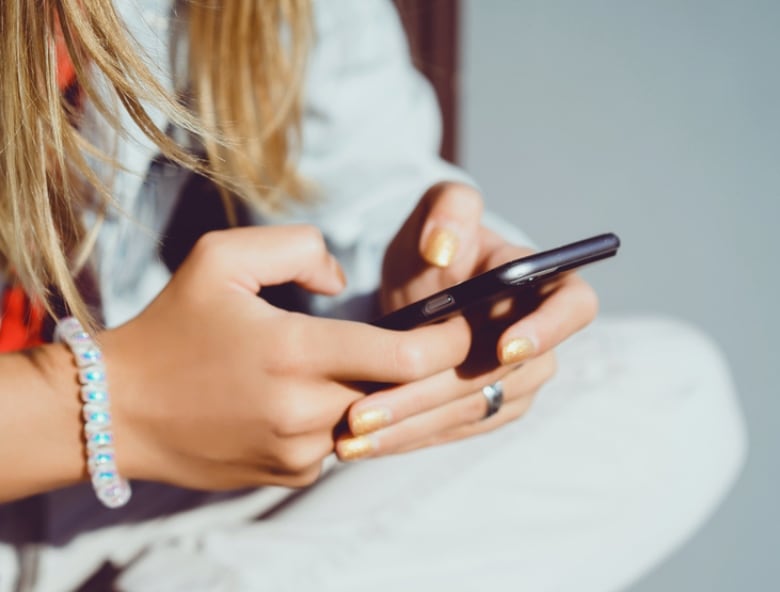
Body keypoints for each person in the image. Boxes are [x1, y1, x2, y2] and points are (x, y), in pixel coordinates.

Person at [0, 1, 746, 590]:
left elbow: (362, 181)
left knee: (669, 395)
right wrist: (115, 405)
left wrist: (436, 270)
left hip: (104, 498)